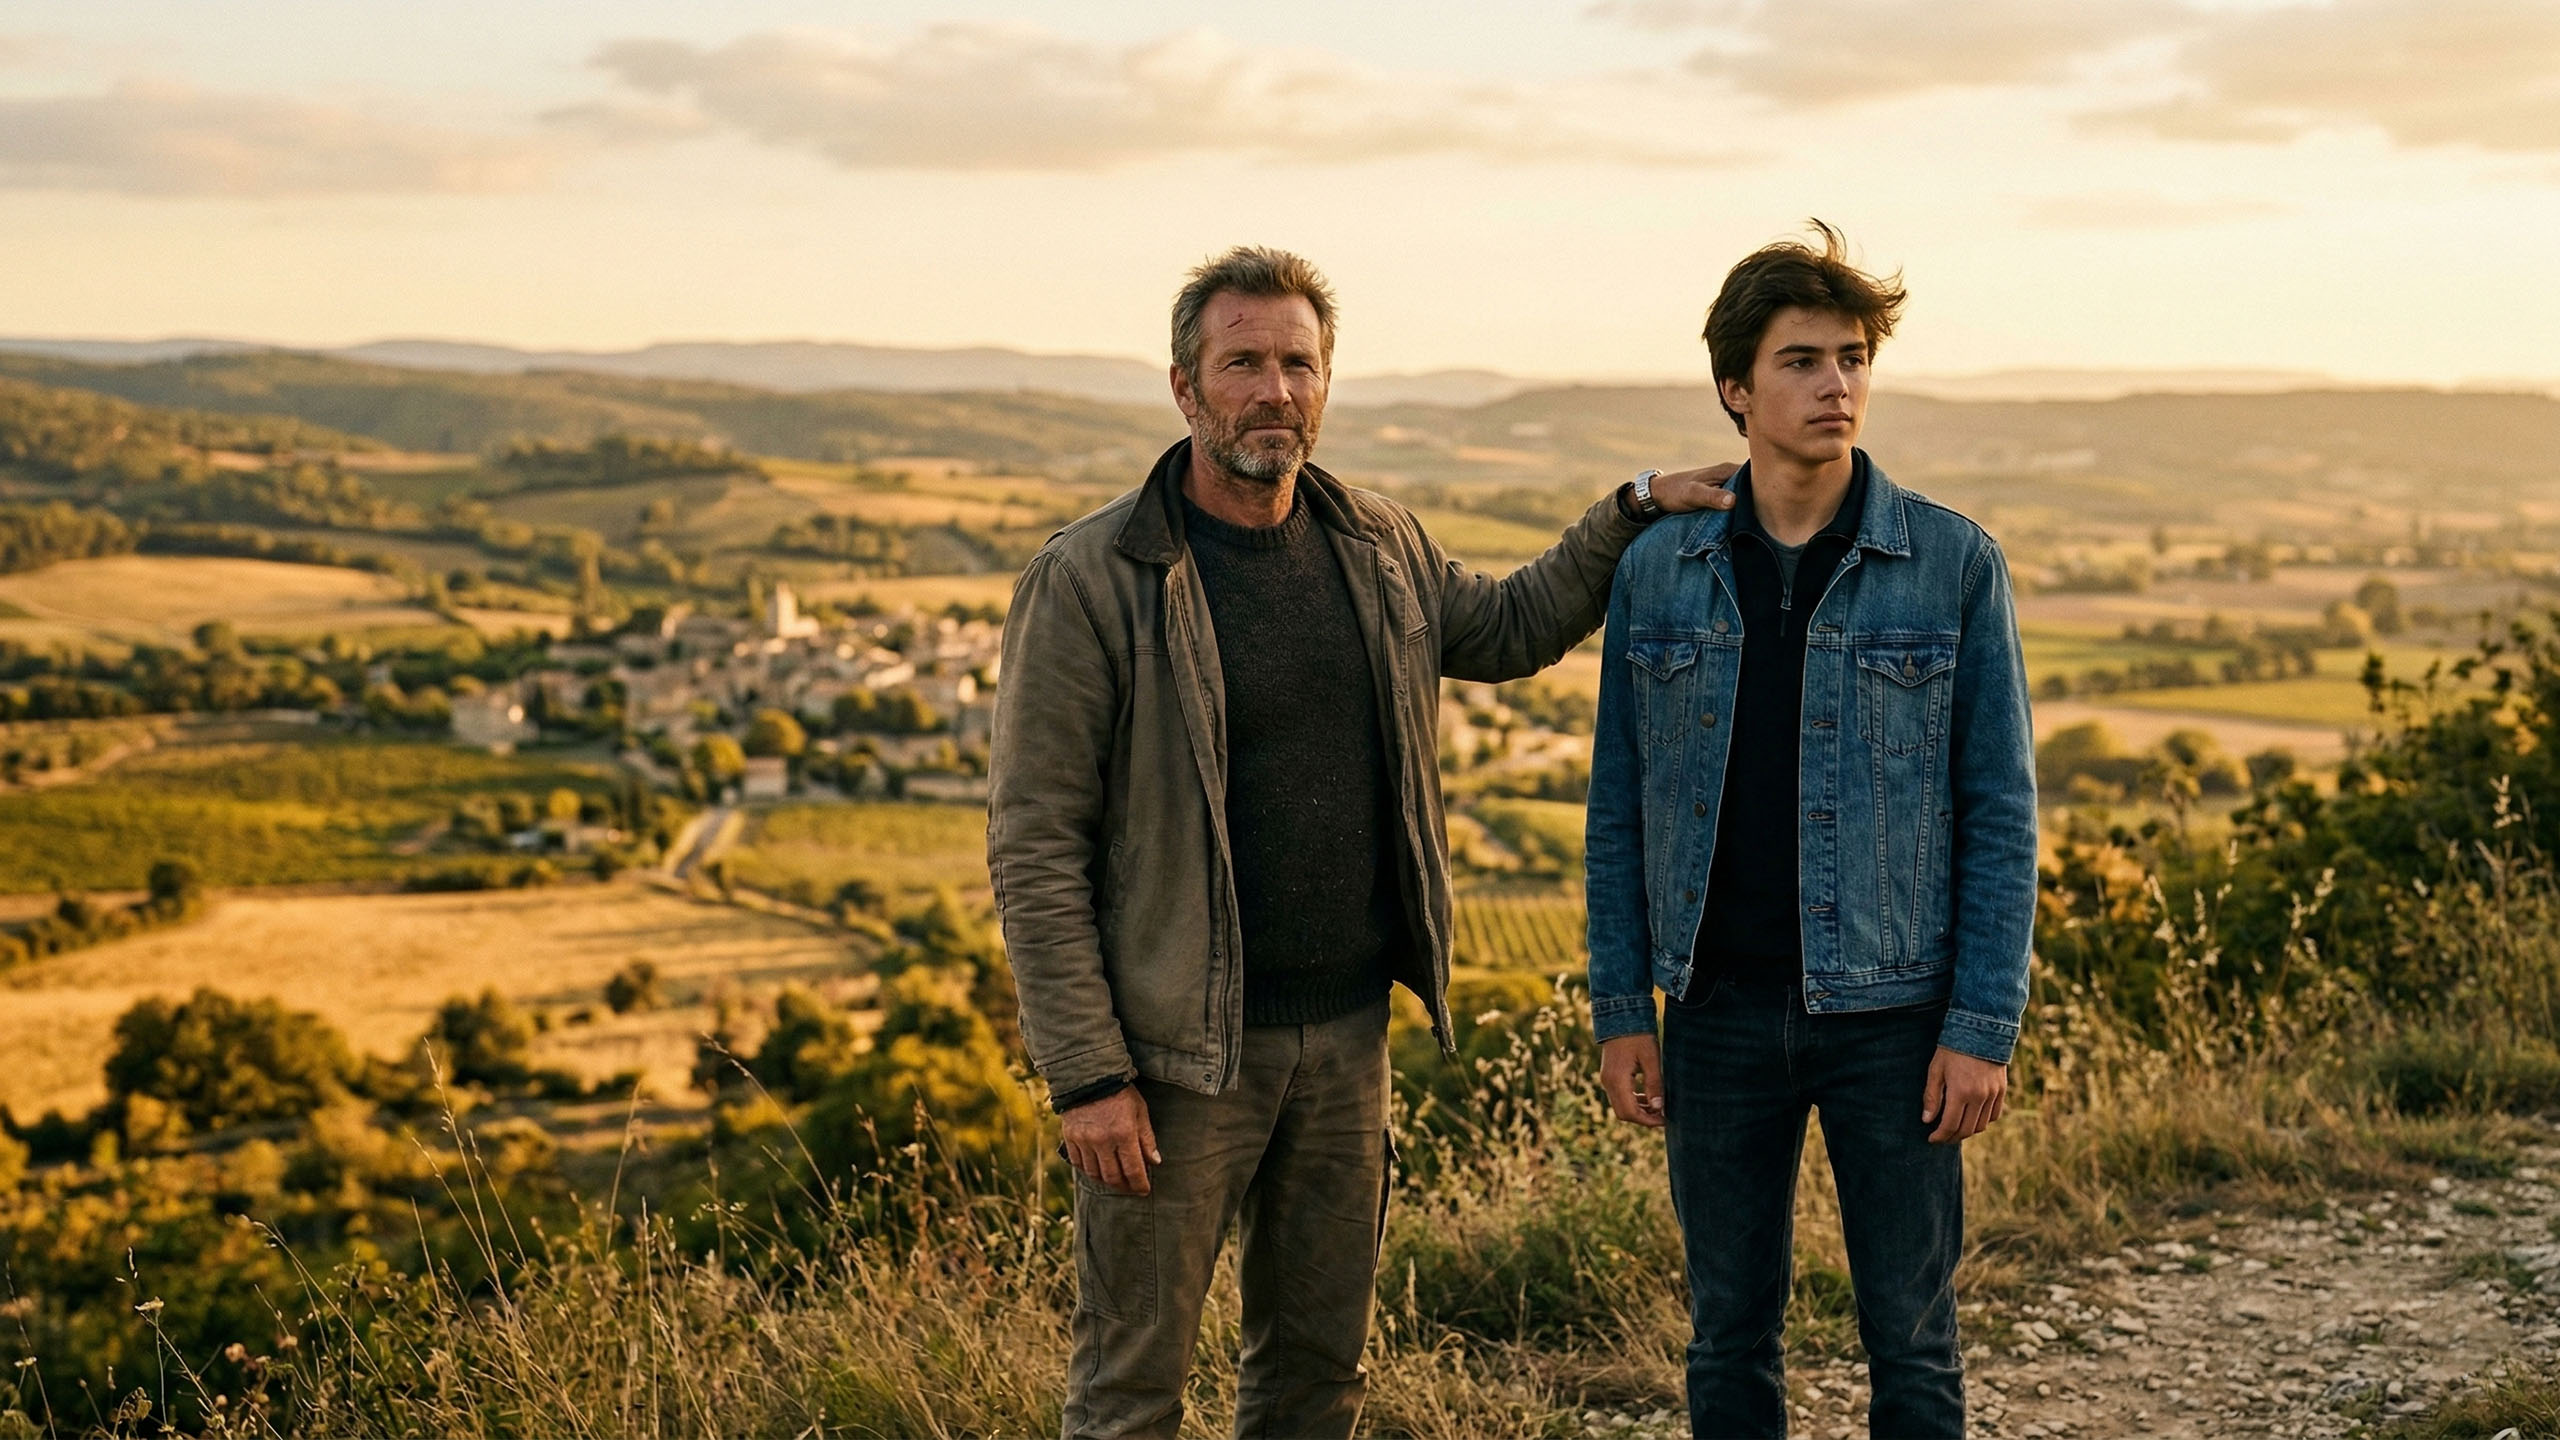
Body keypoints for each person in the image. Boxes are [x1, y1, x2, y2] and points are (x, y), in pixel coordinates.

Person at [989, 244, 1736, 1440]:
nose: (1273, 391)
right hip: (1174, 1060)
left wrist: (1630, 510)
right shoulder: (1091, 579)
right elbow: (1035, 849)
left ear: (1326, 382)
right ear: (1185, 387)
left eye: (1297, 363)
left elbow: (1505, 624)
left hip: (1344, 1041)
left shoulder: (1375, 542)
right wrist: (1087, 1076)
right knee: (1132, 1393)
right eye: (1242, 363)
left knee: (1317, 1376)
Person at [1583, 222, 2038, 1439]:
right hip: (1717, 1011)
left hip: (1894, 1018)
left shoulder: (1947, 563)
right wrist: (1623, 1007)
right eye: (1800, 361)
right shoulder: (1662, 571)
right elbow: (1617, 806)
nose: (1835, 383)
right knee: (1728, 1337)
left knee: (1912, 1338)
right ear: (1735, 389)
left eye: (1850, 357)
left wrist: (1980, 1028)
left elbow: (2002, 812)